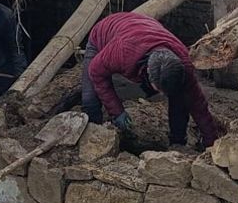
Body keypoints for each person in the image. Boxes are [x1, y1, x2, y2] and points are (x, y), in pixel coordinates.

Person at [81, 12, 223, 148]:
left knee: (179, 98)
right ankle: (93, 141)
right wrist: (117, 112)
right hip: (104, 32)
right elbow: (96, 72)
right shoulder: (123, 52)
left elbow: (198, 105)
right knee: (89, 99)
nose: (162, 95)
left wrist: (212, 144)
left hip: (145, 26)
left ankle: (178, 142)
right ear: (148, 71)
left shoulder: (184, 64)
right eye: (158, 89)